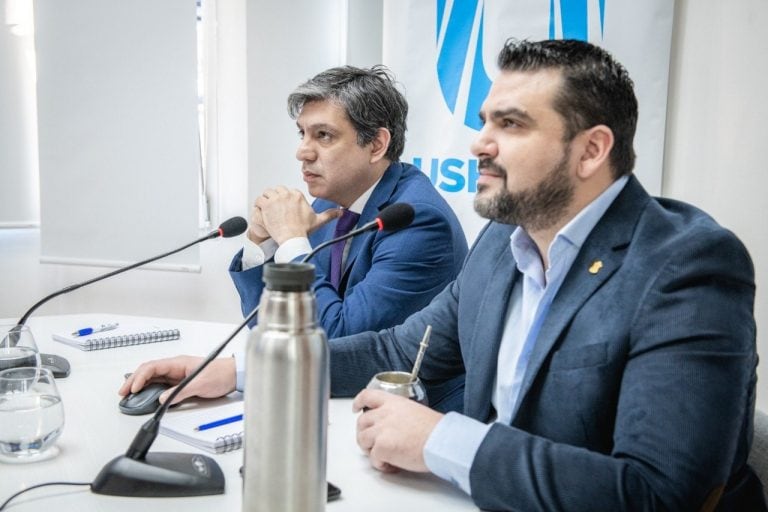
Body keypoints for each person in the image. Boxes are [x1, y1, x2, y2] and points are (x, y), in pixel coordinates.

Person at [121, 39, 764, 510]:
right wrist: (242, 368)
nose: (479, 143)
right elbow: (399, 349)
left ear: (591, 149)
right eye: (485, 120)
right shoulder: (503, 240)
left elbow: (658, 495)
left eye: (509, 124)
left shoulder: (687, 265)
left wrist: (445, 442)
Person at [228, 65, 467, 338]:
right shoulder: (330, 204)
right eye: (302, 134)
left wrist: (292, 242)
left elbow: (340, 340)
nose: (302, 152)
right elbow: (269, 330)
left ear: (376, 145)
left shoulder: (418, 222)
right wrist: (263, 240)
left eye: (323, 135)